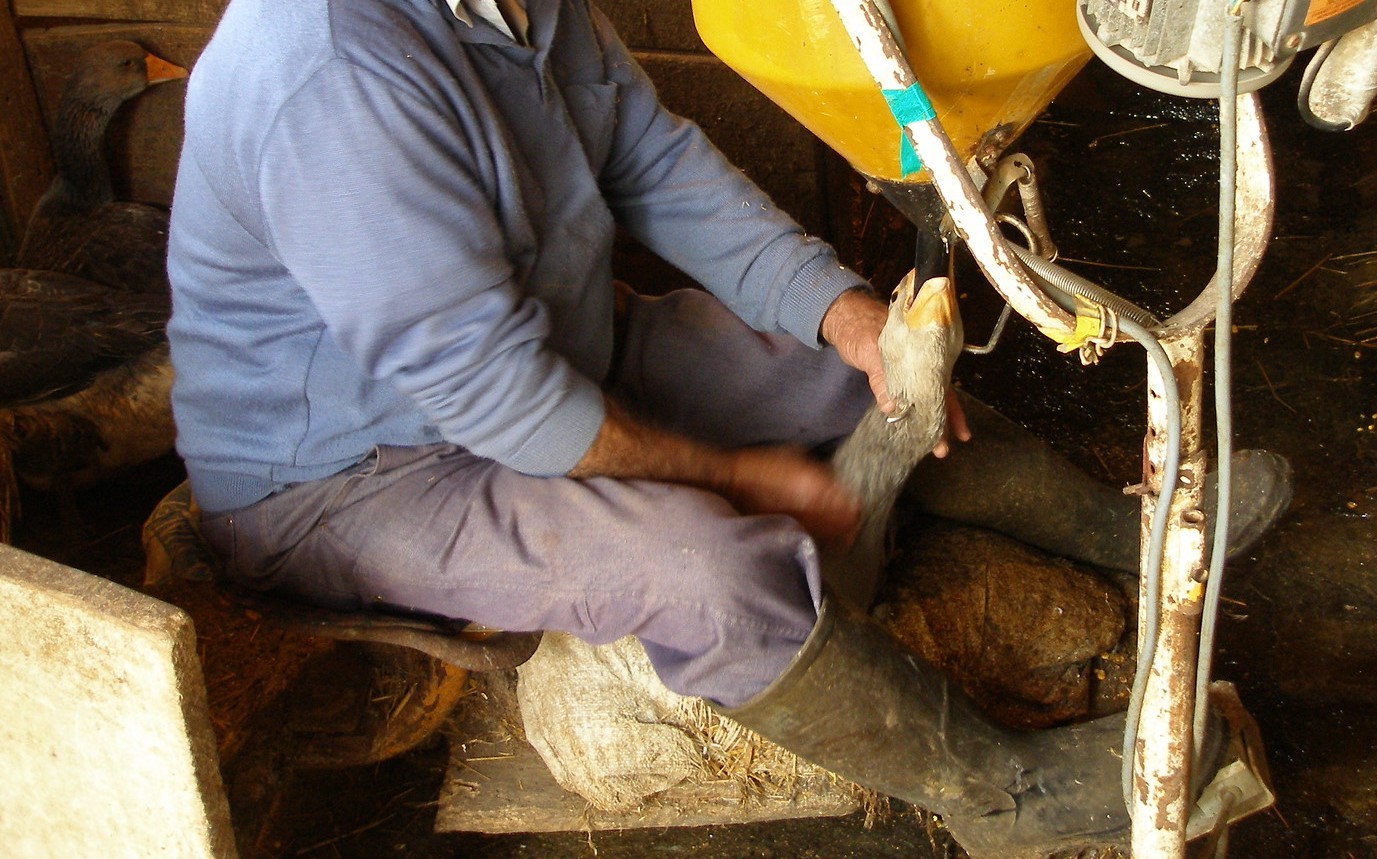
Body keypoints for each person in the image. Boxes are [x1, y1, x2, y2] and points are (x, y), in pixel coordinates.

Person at [166, 0, 1288, 853]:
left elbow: (645, 160)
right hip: (353, 471)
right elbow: (495, 399)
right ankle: (1000, 795)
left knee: (862, 384)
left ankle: (1132, 534)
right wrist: (731, 474)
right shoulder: (329, 72)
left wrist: (842, 312)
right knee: (704, 564)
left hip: (544, 338)